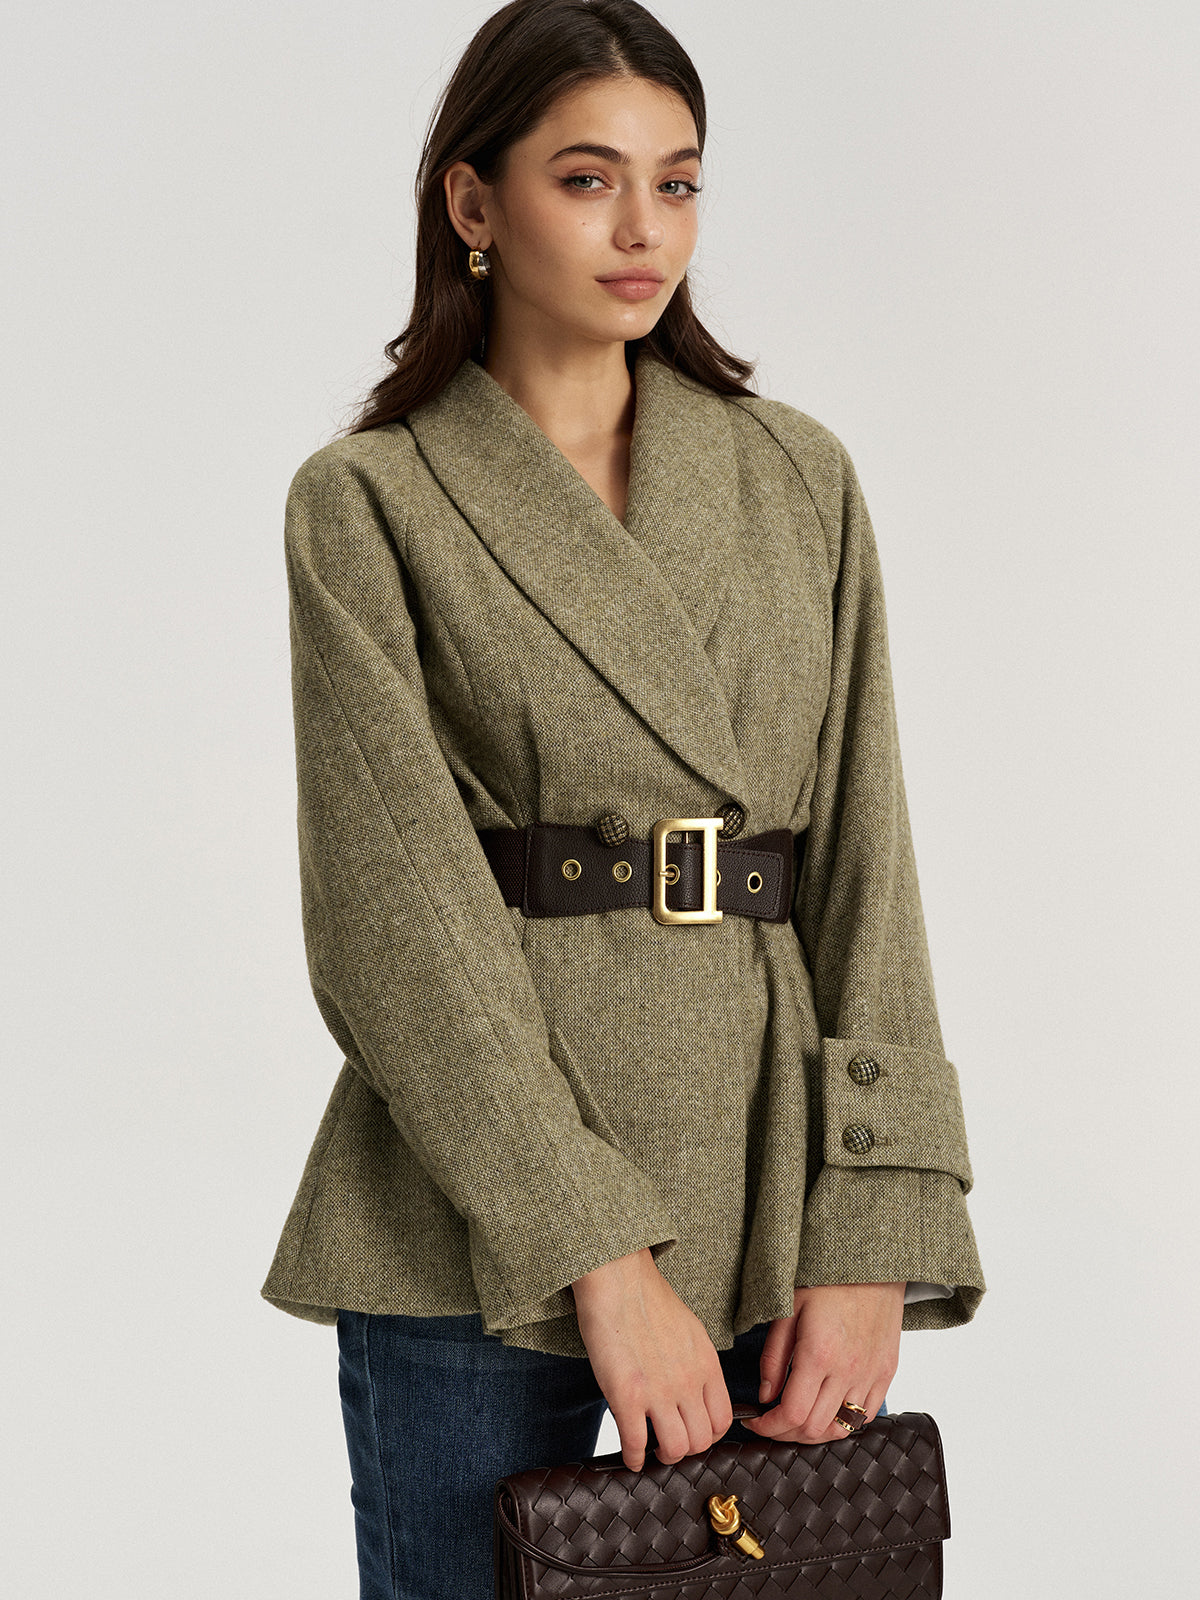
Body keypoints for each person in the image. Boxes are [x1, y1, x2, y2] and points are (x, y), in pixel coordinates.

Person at [260, 2, 985, 1595]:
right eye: (588, 180)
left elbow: (867, 862)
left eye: (680, 182)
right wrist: (593, 1245)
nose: (645, 229)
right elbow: (394, 922)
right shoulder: (370, 503)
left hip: (771, 1191)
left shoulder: (798, 478)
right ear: (473, 201)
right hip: (472, 1219)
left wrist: (879, 1219)